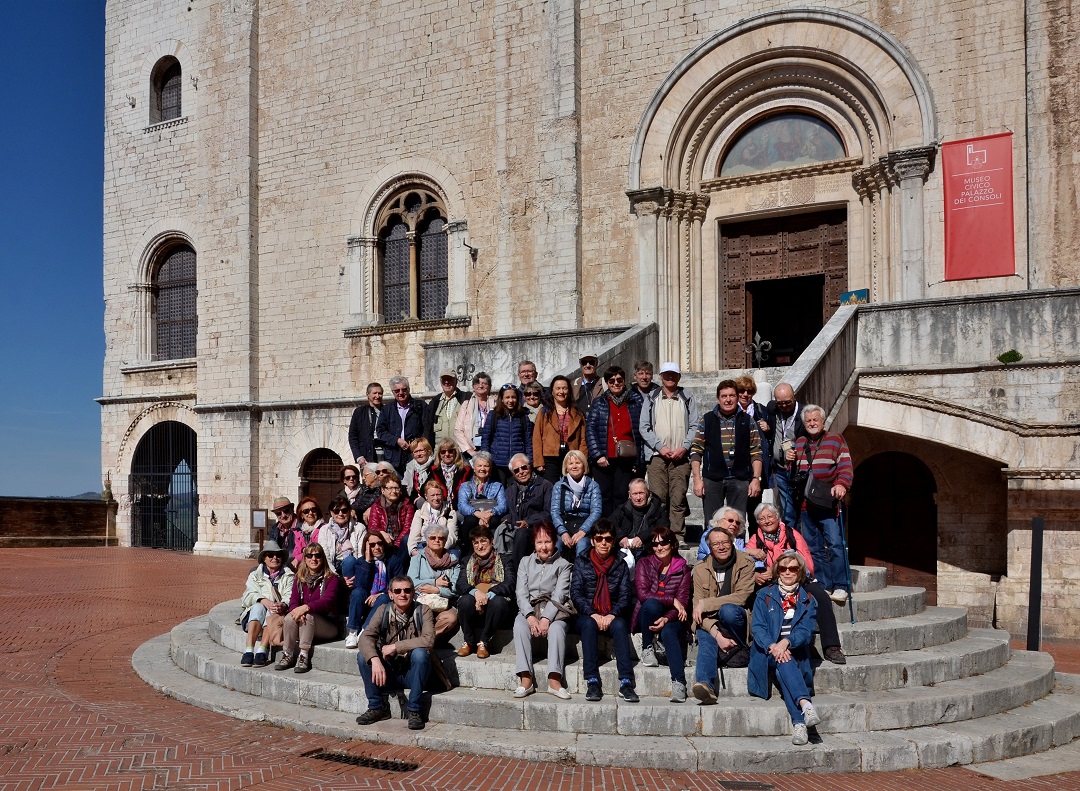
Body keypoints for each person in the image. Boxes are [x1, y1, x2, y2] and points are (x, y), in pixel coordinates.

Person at [744, 503, 847, 664]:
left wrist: (781, 572)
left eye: (770, 517)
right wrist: (755, 574)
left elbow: (807, 563)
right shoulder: (755, 540)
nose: (767, 521)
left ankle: (832, 646)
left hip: (797, 578)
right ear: (757, 522)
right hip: (771, 584)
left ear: (777, 518)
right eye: (762, 519)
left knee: (821, 596)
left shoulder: (792, 534)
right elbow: (743, 563)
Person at [748, 550, 822, 746]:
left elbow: (806, 631)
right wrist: (774, 645)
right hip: (767, 651)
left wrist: (786, 642)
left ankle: (799, 724)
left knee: (784, 669)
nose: (787, 572)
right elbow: (758, 627)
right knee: (784, 659)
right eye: (783, 568)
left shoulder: (808, 599)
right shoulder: (764, 595)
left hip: (793, 650)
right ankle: (806, 705)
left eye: (793, 568)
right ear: (777, 572)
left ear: (800, 572)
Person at [790, 404, 854, 605]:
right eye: (808, 420)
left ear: (823, 421)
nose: (811, 423)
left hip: (828, 501)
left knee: (835, 544)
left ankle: (841, 586)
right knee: (814, 547)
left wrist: (842, 485)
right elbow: (792, 476)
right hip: (805, 504)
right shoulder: (799, 443)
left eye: (815, 420)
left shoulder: (836, 440)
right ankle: (825, 584)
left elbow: (846, 467)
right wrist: (789, 461)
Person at [355, 574, 435, 731]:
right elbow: (365, 637)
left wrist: (396, 646)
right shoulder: (382, 610)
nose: (402, 594)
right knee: (362, 656)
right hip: (388, 671)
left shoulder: (423, 610)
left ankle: (414, 711)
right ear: (390, 594)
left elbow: (428, 640)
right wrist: (375, 660)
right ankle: (377, 707)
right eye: (397, 591)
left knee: (420, 654)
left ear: (413, 592)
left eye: (407, 590)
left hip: (414, 673)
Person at [571, 520, 639, 703]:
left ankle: (626, 682)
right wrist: (592, 613)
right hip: (588, 613)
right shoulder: (581, 561)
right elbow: (576, 593)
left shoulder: (621, 564)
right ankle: (592, 680)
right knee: (587, 624)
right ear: (592, 540)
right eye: (599, 538)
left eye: (608, 539)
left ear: (614, 541)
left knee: (620, 625)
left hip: (612, 613)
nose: (603, 543)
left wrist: (611, 614)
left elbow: (625, 596)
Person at [691, 528, 756, 704]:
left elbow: (742, 597)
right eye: (715, 544)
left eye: (725, 542)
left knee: (728, 610)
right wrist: (717, 635)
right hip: (712, 623)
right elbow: (697, 609)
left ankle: (737, 645)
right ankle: (705, 685)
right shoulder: (700, 568)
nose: (721, 547)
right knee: (705, 636)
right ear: (709, 547)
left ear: (732, 542)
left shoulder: (746, 562)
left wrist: (707, 604)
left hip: (736, 620)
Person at [512, 519, 573, 699]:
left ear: (554, 542)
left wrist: (546, 618)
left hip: (554, 609)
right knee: (519, 625)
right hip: (529, 607)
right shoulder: (525, 562)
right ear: (534, 543)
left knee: (557, 629)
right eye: (539, 542)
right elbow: (521, 593)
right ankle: (526, 678)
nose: (544, 547)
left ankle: (554, 679)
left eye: (547, 541)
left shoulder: (564, 565)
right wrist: (530, 616)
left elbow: (560, 595)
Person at [638, 362, 698, 544]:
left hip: (681, 457)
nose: (670, 377)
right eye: (666, 374)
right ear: (661, 376)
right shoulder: (651, 397)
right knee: (658, 498)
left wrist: (684, 447)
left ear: (679, 377)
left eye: (673, 374)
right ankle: (660, 536)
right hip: (657, 457)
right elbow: (644, 427)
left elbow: (695, 425)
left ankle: (677, 537)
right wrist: (660, 447)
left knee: (678, 498)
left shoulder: (687, 397)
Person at [690, 379, 764, 524]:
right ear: (718, 398)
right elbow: (696, 451)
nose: (728, 400)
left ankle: (737, 547)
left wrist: (756, 479)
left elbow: (756, 452)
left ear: (737, 397)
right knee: (712, 523)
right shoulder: (706, 420)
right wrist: (697, 480)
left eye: (732, 396)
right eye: (724, 396)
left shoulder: (748, 420)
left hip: (740, 479)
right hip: (713, 479)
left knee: (738, 523)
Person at [633, 525, 691, 702]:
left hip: (672, 616)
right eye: (655, 544)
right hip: (648, 613)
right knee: (652, 604)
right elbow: (643, 595)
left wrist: (667, 618)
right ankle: (647, 647)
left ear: (672, 544)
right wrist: (671, 600)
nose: (659, 547)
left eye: (664, 543)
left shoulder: (683, 569)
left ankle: (679, 683)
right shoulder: (644, 563)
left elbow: (682, 603)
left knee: (668, 632)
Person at [586, 365, 644, 516]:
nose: (616, 383)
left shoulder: (635, 402)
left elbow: (640, 433)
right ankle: (605, 532)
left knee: (622, 496)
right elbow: (590, 430)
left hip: (626, 458)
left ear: (624, 381)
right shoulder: (599, 403)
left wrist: (638, 460)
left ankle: (619, 532)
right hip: (603, 459)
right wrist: (597, 454)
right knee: (603, 496)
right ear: (607, 383)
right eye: (611, 380)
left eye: (619, 380)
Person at [276, 542, 341, 673]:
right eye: (309, 556)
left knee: (308, 616)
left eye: (317, 555)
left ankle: (303, 655)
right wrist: (297, 610)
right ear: (305, 559)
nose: (314, 559)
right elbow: (293, 601)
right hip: (306, 621)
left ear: (323, 558)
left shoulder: (332, 579)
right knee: (289, 617)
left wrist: (306, 607)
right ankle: (288, 654)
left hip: (328, 625)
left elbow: (327, 601)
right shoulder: (299, 578)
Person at [455, 526, 517, 658]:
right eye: (476, 543)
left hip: (496, 611)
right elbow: (460, 584)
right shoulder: (467, 561)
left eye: (483, 541)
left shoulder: (505, 559)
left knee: (499, 602)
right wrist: (476, 593)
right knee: (465, 600)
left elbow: (510, 583)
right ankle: (469, 641)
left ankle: (483, 641)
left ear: (492, 541)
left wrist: (488, 594)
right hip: (474, 608)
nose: (480, 546)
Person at [239, 540, 295, 667]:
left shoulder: (289, 575)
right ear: (264, 558)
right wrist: (264, 601)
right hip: (254, 616)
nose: (274, 558)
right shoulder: (255, 575)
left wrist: (283, 604)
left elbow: (290, 595)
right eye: (270, 555)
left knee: (273, 609)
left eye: (278, 555)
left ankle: (262, 650)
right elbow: (248, 595)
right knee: (258, 607)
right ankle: (249, 650)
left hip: (275, 614)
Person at [762, 382, 806, 529]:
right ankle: (791, 536)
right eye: (780, 403)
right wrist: (767, 428)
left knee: (800, 506)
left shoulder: (804, 414)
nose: (784, 406)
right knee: (787, 508)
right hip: (780, 469)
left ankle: (798, 537)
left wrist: (797, 452)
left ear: (795, 397)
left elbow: (809, 440)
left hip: (798, 469)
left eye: (788, 402)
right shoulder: (772, 409)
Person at [407, 523, 461, 641]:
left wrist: (437, 590)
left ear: (446, 540)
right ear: (426, 540)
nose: (437, 540)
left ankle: (423, 642)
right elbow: (411, 583)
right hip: (421, 601)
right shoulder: (417, 559)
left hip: (444, 603)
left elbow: (456, 588)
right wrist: (434, 582)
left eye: (441, 538)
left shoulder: (454, 562)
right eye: (433, 537)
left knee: (451, 618)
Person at [533, 374, 587, 483]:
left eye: (564, 388)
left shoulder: (578, 413)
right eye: (558, 388)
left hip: (572, 457)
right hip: (550, 458)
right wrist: (539, 461)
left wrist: (582, 459)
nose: (561, 392)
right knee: (551, 489)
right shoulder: (544, 412)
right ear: (552, 391)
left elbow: (583, 439)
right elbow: (537, 437)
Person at [342, 530, 391, 648]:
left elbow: (396, 584)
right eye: (372, 545)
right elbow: (359, 585)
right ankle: (353, 632)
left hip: (380, 603)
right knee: (357, 592)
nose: (377, 547)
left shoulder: (392, 561)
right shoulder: (361, 562)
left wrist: (379, 594)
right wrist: (368, 562)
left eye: (380, 543)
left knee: (384, 597)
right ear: (366, 546)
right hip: (363, 603)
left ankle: (364, 632)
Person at [550, 449, 603, 557]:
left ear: (584, 466)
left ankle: (580, 572)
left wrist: (583, 531)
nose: (574, 466)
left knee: (582, 544)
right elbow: (554, 512)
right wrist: (563, 532)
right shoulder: (558, 486)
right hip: (564, 526)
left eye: (578, 463)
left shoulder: (593, 486)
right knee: (556, 544)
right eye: (571, 463)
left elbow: (596, 512)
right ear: (566, 467)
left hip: (585, 528)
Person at [503, 453, 554, 561]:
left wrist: (528, 522)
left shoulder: (545, 485)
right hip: (515, 527)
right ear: (513, 474)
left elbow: (548, 513)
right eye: (516, 470)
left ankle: (516, 573)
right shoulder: (510, 490)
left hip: (536, 527)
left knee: (521, 534)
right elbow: (508, 511)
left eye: (524, 467)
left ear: (529, 467)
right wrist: (505, 519)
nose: (521, 472)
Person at [735, 374, 769, 531]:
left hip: (756, 468)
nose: (745, 395)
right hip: (737, 470)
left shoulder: (761, 411)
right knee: (737, 515)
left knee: (755, 513)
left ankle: (756, 546)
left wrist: (768, 429)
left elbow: (772, 437)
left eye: (749, 391)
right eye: (741, 390)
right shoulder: (731, 413)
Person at [481, 384, 533, 485]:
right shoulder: (494, 415)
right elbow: (486, 439)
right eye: (507, 397)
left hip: (517, 465)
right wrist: (486, 460)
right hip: (497, 464)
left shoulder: (523, 416)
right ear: (502, 399)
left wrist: (529, 461)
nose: (510, 400)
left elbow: (528, 441)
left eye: (513, 397)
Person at [364, 477, 416, 577]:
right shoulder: (376, 506)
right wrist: (382, 533)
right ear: (383, 490)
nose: (394, 491)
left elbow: (407, 528)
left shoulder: (407, 505)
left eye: (397, 488)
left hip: (400, 545)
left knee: (406, 539)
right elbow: (372, 527)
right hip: (383, 543)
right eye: (390, 488)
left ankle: (397, 573)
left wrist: (396, 544)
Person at [376, 376, 425, 475]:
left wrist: (417, 443)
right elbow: (380, 431)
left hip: (414, 455)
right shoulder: (387, 410)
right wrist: (397, 441)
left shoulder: (420, 406)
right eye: (397, 390)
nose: (401, 393)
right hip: (394, 457)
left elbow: (427, 429)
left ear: (409, 389)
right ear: (393, 392)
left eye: (404, 389)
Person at [612, 478, 669, 562]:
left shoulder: (657, 509)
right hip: (626, 550)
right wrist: (620, 536)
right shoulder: (623, 509)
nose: (638, 497)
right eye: (635, 494)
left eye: (641, 493)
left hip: (649, 550)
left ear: (648, 494)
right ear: (629, 495)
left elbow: (664, 527)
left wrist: (643, 537)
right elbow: (610, 523)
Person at [456, 451, 508, 539]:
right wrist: (477, 513)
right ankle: (468, 550)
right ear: (474, 468)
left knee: (495, 520)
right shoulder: (465, 486)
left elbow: (503, 505)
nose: (482, 469)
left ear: (490, 468)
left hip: (490, 515)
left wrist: (490, 513)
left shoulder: (497, 486)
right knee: (470, 520)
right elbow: (461, 505)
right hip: (473, 515)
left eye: (486, 466)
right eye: (479, 466)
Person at [454, 372, 496, 462]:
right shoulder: (466, 404)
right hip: (470, 450)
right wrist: (468, 449)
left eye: (484, 383)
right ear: (473, 387)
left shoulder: (496, 404)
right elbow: (458, 429)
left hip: (491, 448)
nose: (480, 386)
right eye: (477, 383)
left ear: (489, 386)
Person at [408, 478, 458, 555]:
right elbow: (414, 536)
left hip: (443, 547)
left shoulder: (450, 513)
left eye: (438, 495)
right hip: (423, 545)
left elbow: (452, 537)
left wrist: (438, 551)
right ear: (426, 496)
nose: (436, 498)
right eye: (432, 495)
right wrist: (413, 550)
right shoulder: (419, 513)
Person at [424, 370, 468, 447]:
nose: (447, 382)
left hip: (460, 451)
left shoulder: (466, 398)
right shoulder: (434, 402)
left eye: (450, 379)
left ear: (456, 381)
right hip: (440, 452)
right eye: (444, 380)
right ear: (441, 383)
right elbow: (428, 428)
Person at [317, 495, 358, 575]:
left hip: (352, 570)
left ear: (349, 511)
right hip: (331, 570)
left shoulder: (359, 528)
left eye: (344, 510)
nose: (340, 514)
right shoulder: (324, 530)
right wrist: (335, 576)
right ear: (331, 513)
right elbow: (325, 555)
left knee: (350, 560)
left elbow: (360, 556)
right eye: (336, 511)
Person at [348, 382, 386, 465]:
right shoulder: (359, 412)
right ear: (367, 394)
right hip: (366, 457)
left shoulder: (387, 410)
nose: (377, 396)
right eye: (374, 393)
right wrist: (358, 456)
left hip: (386, 455)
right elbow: (352, 436)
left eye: (380, 393)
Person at [430, 439, 472, 507]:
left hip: (460, 505)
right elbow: (426, 488)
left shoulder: (466, 470)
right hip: (439, 504)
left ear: (456, 452)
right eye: (443, 452)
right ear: (439, 454)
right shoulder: (434, 469)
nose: (447, 454)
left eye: (450, 451)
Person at [289, 496, 325, 569]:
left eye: (313, 510)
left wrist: (302, 552)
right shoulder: (299, 531)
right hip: (304, 565)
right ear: (301, 515)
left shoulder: (324, 528)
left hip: (319, 564)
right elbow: (296, 552)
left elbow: (317, 550)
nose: (310, 513)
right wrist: (302, 551)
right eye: (306, 511)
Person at [267, 497, 302, 566]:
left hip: (296, 562)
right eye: (279, 513)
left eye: (286, 511)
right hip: (278, 562)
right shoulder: (274, 529)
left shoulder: (301, 527)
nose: (283, 515)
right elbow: (270, 549)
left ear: (292, 509)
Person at [402, 437, 435, 507]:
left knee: (421, 502)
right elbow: (405, 485)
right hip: (413, 498)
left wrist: (423, 496)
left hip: (430, 498)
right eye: (415, 452)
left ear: (428, 451)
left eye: (421, 450)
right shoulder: (410, 466)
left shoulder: (434, 466)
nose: (419, 454)